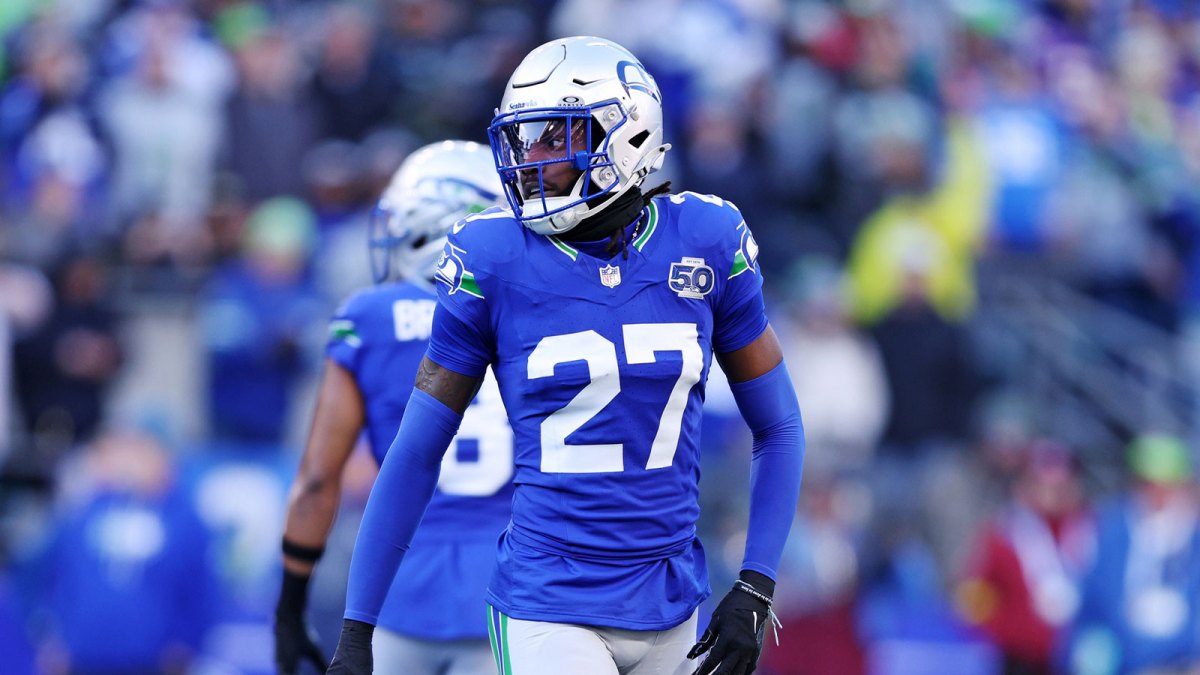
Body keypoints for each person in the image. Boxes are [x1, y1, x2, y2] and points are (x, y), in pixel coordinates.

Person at [328, 36, 806, 675]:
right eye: (526, 142)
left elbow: (778, 426)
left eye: (557, 138)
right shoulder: (493, 257)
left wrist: (755, 583)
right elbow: (415, 450)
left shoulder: (707, 241)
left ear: (627, 138)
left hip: (672, 599)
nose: (532, 162)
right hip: (546, 601)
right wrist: (358, 628)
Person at [274, 141, 512, 675]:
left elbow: (316, 480)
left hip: (400, 598)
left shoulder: (370, 317)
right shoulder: (534, 311)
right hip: (517, 597)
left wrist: (289, 610)